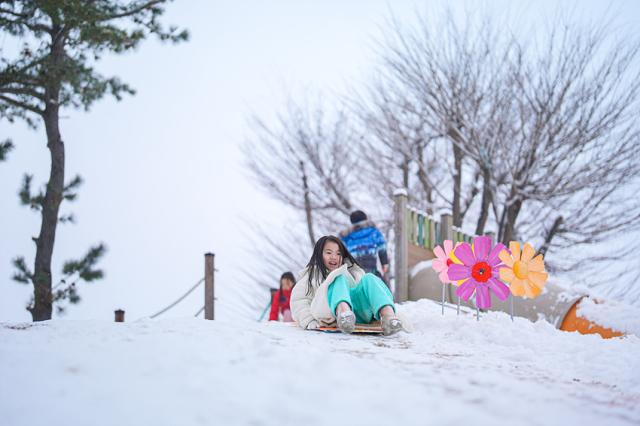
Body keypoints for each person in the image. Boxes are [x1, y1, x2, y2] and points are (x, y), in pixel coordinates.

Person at [290, 235, 403, 336]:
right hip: (330, 312)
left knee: (369, 278)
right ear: (319, 255)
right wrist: (309, 320)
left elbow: (370, 292)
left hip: (358, 312)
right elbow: (299, 300)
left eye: (338, 253)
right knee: (338, 277)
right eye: (329, 253)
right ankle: (343, 314)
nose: (334, 257)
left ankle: (388, 317)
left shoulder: (353, 272)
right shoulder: (312, 276)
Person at [339, 210, 389, 282]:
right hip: (370, 264)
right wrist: (384, 263)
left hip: (354, 266)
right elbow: (382, 247)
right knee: (378, 286)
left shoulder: (346, 236)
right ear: (366, 219)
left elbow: (341, 253)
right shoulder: (373, 231)